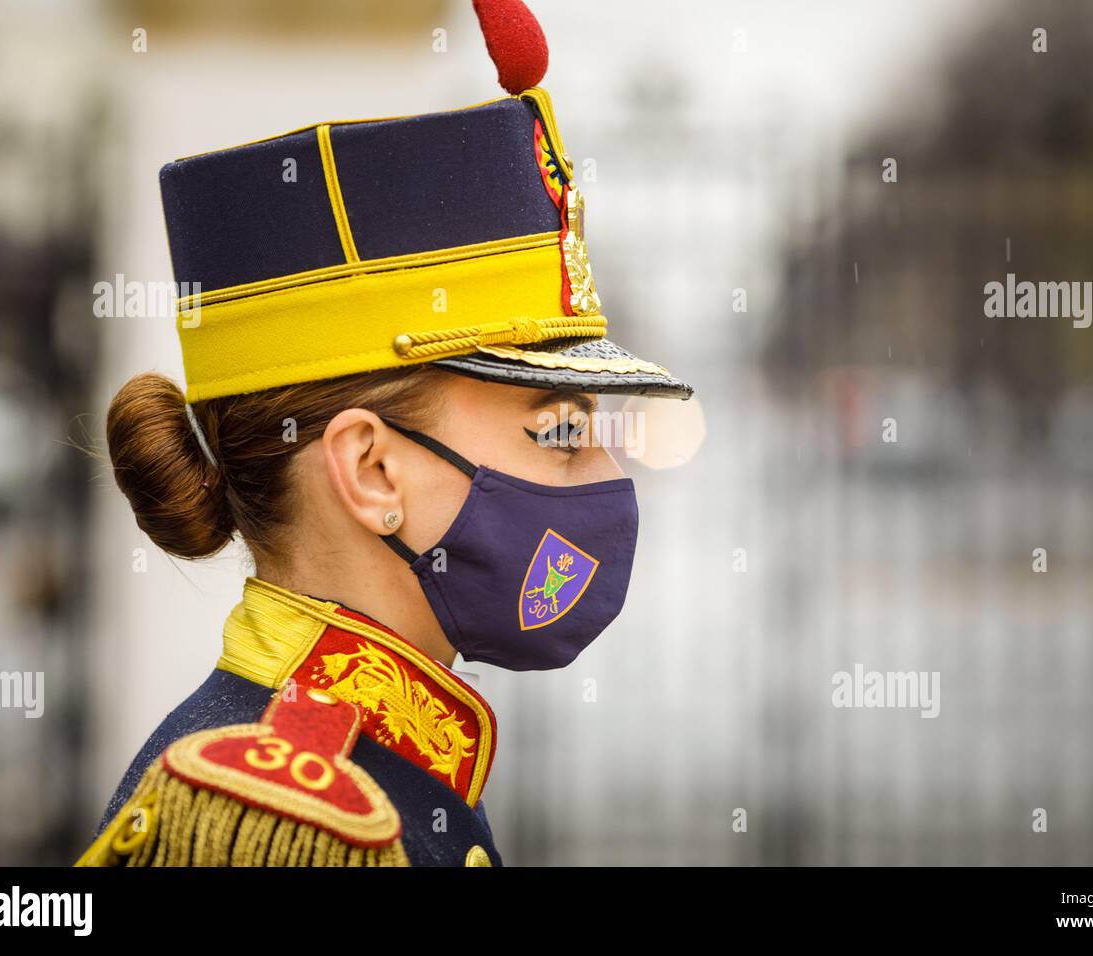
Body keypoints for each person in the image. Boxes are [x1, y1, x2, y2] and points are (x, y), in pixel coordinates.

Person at [74, 0, 694, 868]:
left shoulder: (378, 768)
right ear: (371, 470)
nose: (608, 474)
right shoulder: (290, 826)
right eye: (557, 434)